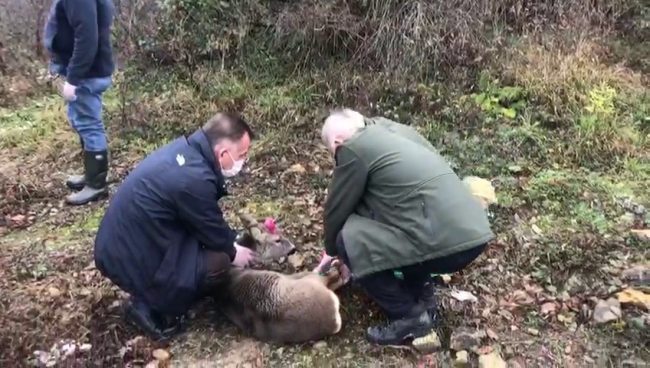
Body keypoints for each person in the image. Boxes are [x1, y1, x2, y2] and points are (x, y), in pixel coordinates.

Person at [314, 109, 495, 347]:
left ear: (337, 143)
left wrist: (331, 250)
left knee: (348, 238)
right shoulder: (397, 131)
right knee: (403, 228)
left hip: (442, 242)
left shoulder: (354, 147)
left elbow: (337, 208)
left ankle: (409, 315)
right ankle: (424, 300)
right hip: (472, 234)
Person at [94, 113, 259, 340]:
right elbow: (211, 228)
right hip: (129, 258)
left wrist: (229, 239)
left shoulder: (186, 153)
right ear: (223, 153)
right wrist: (233, 252)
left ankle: (164, 289)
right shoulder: (194, 180)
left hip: (128, 242)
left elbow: (203, 220)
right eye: (242, 155)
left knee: (214, 249)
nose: (243, 160)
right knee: (219, 261)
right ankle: (149, 306)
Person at [43, 0, 116, 206]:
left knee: (88, 123)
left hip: (87, 74)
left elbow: (87, 37)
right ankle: (92, 175)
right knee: (83, 121)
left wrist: (73, 78)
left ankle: (97, 184)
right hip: (88, 70)